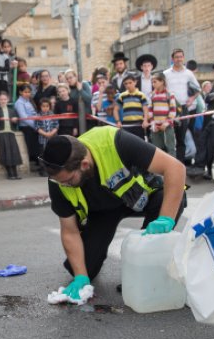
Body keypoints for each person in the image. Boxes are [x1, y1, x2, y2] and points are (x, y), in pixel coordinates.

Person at [39, 127, 186, 301]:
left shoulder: (115, 141)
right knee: (81, 267)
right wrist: (81, 276)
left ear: (84, 165)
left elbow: (175, 168)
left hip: (137, 196)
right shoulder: (58, 181)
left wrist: (166, 218)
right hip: (101, 212)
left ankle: (146, 272)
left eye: (69, 181)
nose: (65, 185)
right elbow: (69, 231)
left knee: (172, 198)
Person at [163, 48, 199, 163]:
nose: (179, 59)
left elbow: (198, 89)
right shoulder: (166, 73)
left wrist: (191, 99)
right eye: (176, 57)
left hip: (183, 108)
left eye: (181, 57)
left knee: (181, 138)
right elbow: (160, 88)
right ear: (172, 59)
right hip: (168, 109)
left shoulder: (188, 73)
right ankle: (168, 163)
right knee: (167, 137)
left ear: (183, 58)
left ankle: (180, 164)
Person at [0, 92, 23, 180]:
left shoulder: (11, 110)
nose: (3, 101)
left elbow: (17, 122)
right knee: (6, 153)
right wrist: (0, 119)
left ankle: (15, 173)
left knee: (14, 153)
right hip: (1, 134)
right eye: (1, 99)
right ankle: (10, 174)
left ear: (8, 100)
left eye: (4, 99)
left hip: (10, 133)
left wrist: (15, 120)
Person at [148, 72, 177, 158]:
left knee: (170, 148)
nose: (153, 84)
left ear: (162, 82)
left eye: (155, 82)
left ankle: (173, 168)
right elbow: (150, 111)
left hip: (167, 127)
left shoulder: (169, 95)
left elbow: (173, 111)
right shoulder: (152, 95)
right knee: (157, 150)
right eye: (152, 82)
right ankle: (158, 170)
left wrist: (166, 123)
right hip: (156, 127)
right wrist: (153, 124)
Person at [14, 83, 41, 172]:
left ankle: (38, 163)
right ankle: (35, 164)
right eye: (25, 92)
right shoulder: (19, 103)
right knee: (32, 146)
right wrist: (35, 126)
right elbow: (24, 117)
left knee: (37, 145)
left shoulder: (29, 101)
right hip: (27, 127)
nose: (27, 94)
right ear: (20, 92)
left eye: (29, 92)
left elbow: (33, 113)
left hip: (34, 126)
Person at [114, 73, 150, 140]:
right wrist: (118, 121)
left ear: (135, 82)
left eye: (130, 83)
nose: (128, 85)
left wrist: (145, 121)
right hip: (126, 126)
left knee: (140, 144)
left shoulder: (141, 95)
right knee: (128, 144)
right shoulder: (122, 96)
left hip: (139, 125)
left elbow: (145, 109)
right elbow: (115, 110)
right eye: (126, 83)